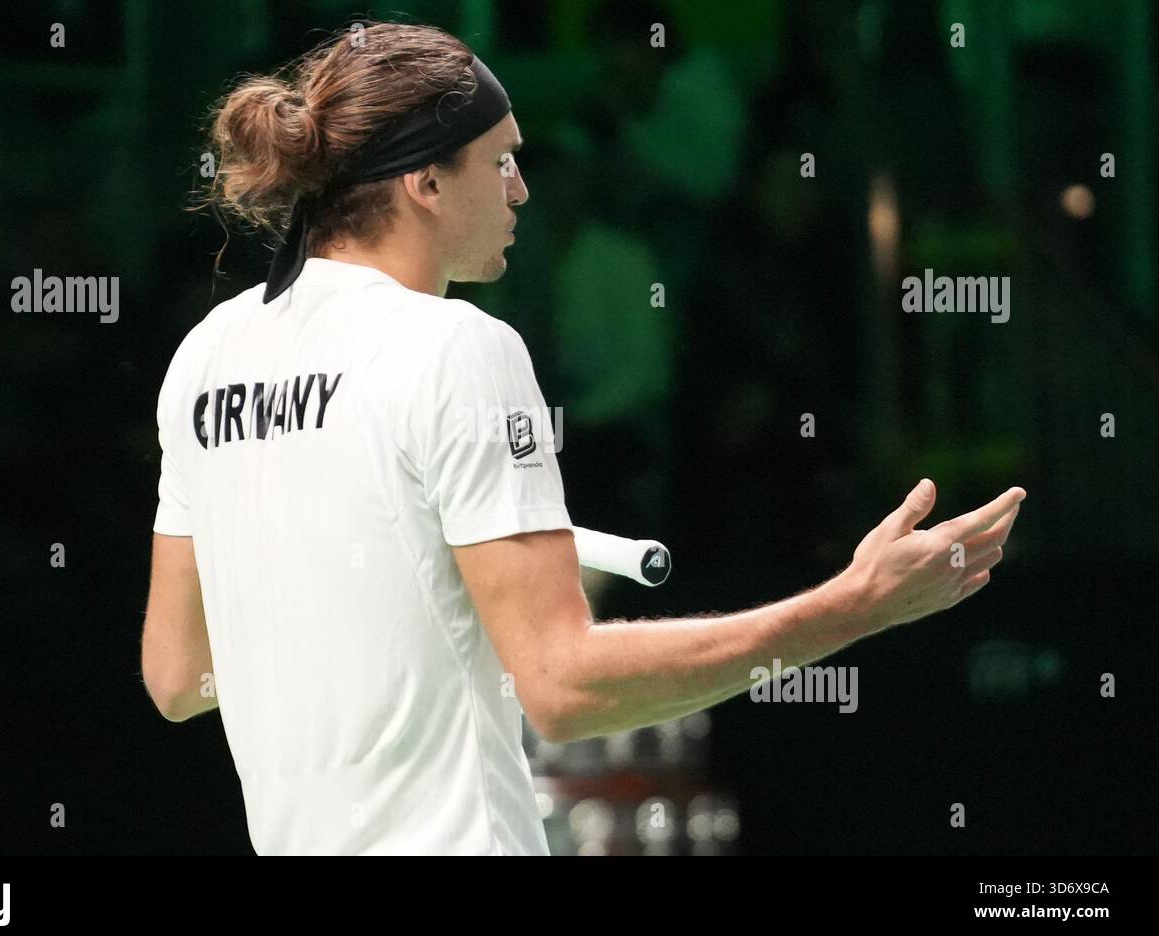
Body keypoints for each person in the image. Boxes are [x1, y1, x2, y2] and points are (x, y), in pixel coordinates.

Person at [141, 20, 1024, 855]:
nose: (523, 187)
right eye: (503, 161)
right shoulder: (458, 346)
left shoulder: (206, 356)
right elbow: (563, 686)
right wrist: (851, 606)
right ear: (428, 183)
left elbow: (177, 677)